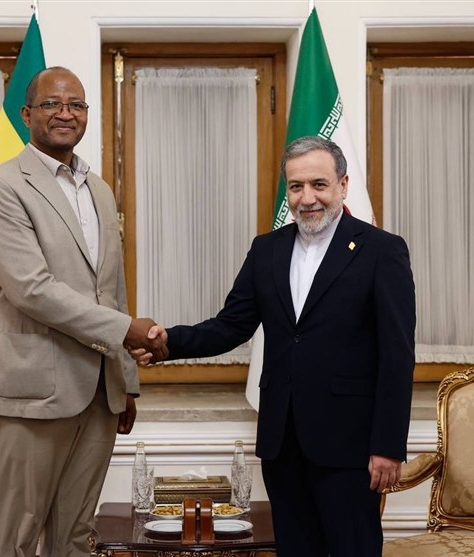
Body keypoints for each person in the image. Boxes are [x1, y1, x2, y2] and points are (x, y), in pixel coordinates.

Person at [134, 136, 416, 556]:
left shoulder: (381, 250)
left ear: (343, 185)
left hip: (351, 445)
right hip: (282, 442)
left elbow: (397, 355)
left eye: (319, 185)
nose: (308, 198)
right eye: (296, 186)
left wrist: (388, 446)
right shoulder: (267, 249)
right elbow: (230, 326)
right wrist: (167, 342)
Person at [0, 66, 166, 557]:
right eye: (52, 104)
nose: (65, 113)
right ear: (27, 114)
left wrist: (124, 382)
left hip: (100, 394)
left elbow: (110, 288)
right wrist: (128, 331)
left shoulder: (98, 189)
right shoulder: (1, 187)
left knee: (76, 537)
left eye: (76, 105)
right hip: (33, 391)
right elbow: (32, 290)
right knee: (15, 538)